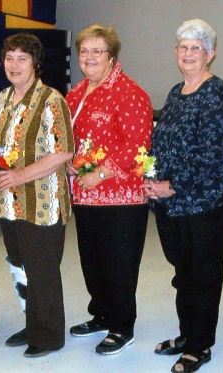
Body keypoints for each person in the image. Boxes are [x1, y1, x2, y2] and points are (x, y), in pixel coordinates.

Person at [142, 19, 223, 373]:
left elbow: (216, 154)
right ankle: (187, 335)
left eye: (195, 48)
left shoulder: (216, 92)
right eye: (182, 47)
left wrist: (174, 184)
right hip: (172, 204)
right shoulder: (174, 91)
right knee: (183, 273)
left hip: (204, 204)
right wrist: (152, 179)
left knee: (202, 274)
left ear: (210, 54)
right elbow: (162, 144)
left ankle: (200, 346)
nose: (187, 54)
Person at [65, 24, 153, 355]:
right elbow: (66, 138)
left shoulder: (130, 93)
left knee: (119, 264)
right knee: (93, 262)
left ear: (112, 55)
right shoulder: (76, 94)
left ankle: (122, 325)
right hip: (84, 196)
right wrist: (68, 161)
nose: (89, 57)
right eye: (84, 51)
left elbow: (137, 145)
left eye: (96, 51)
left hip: (121, 198)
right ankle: (101, 314)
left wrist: (100, 173)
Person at [0, 33, 73, 358]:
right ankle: (33, 323)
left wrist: (20, 174)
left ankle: (49, 335)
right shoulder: (3, 97)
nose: (14, 64)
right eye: (9, 57)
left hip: (42, 202)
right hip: (9, 202)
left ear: (36, 63)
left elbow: (64, 151)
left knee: (42, 270)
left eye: (22, 58)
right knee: (21, 268)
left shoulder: (52, 100)